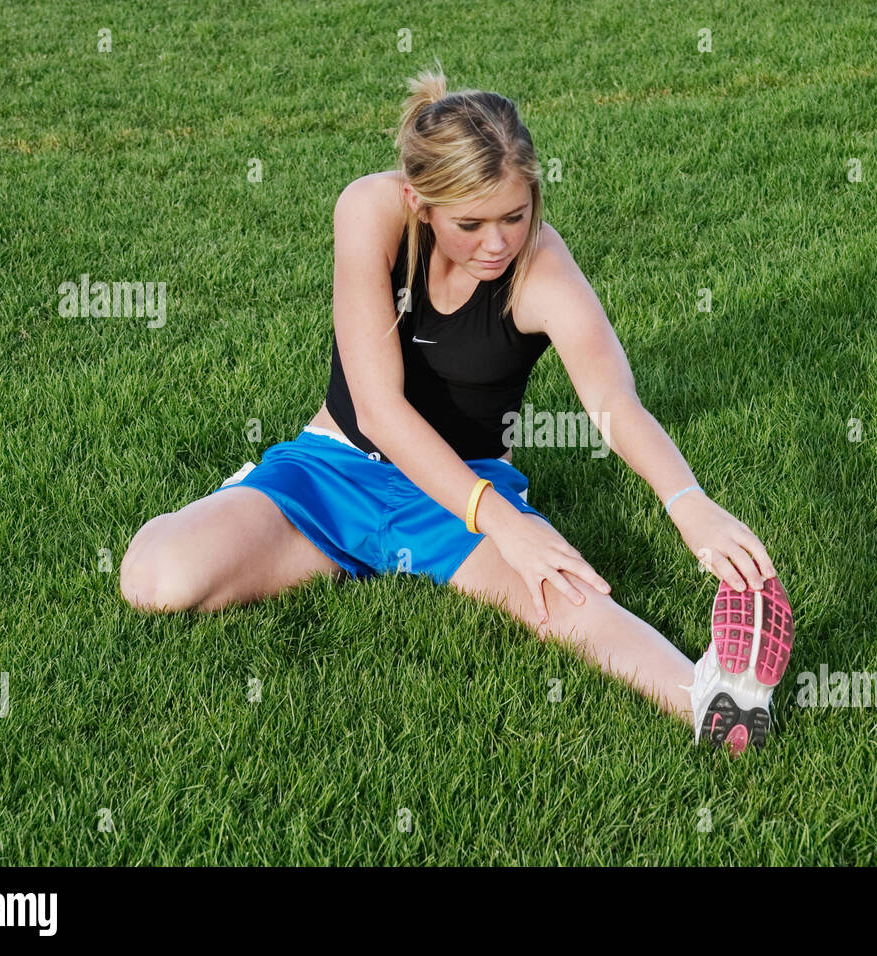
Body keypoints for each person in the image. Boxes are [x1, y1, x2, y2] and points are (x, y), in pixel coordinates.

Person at [119, 64, 792, 755]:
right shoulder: (369, 211)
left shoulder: (542, 268)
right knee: (155, 579)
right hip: (336, 466)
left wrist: (687, 501)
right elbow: (378, 410)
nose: (497, 243)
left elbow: (612, 400)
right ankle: (267, 509)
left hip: (460, 488)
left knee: (568, 604)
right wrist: (507, 525)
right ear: (419, 202)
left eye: (515, 215)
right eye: (470, 223)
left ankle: (709, 696)